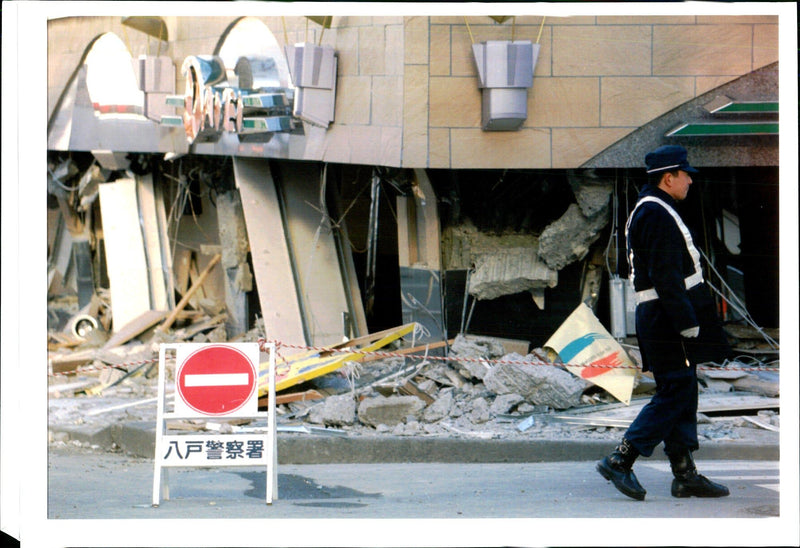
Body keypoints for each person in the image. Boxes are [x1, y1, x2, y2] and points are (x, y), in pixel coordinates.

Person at [596, 145, 732, 501]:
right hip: (668, 319)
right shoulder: (655, 212)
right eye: (685, 174)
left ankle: (685, 474)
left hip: (665, 317)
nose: (690, 180)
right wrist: (686, 321)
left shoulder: (655, 208)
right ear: (668, 178)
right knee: (676, 391)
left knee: (683, 389)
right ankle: (620, 459)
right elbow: (666, 275)